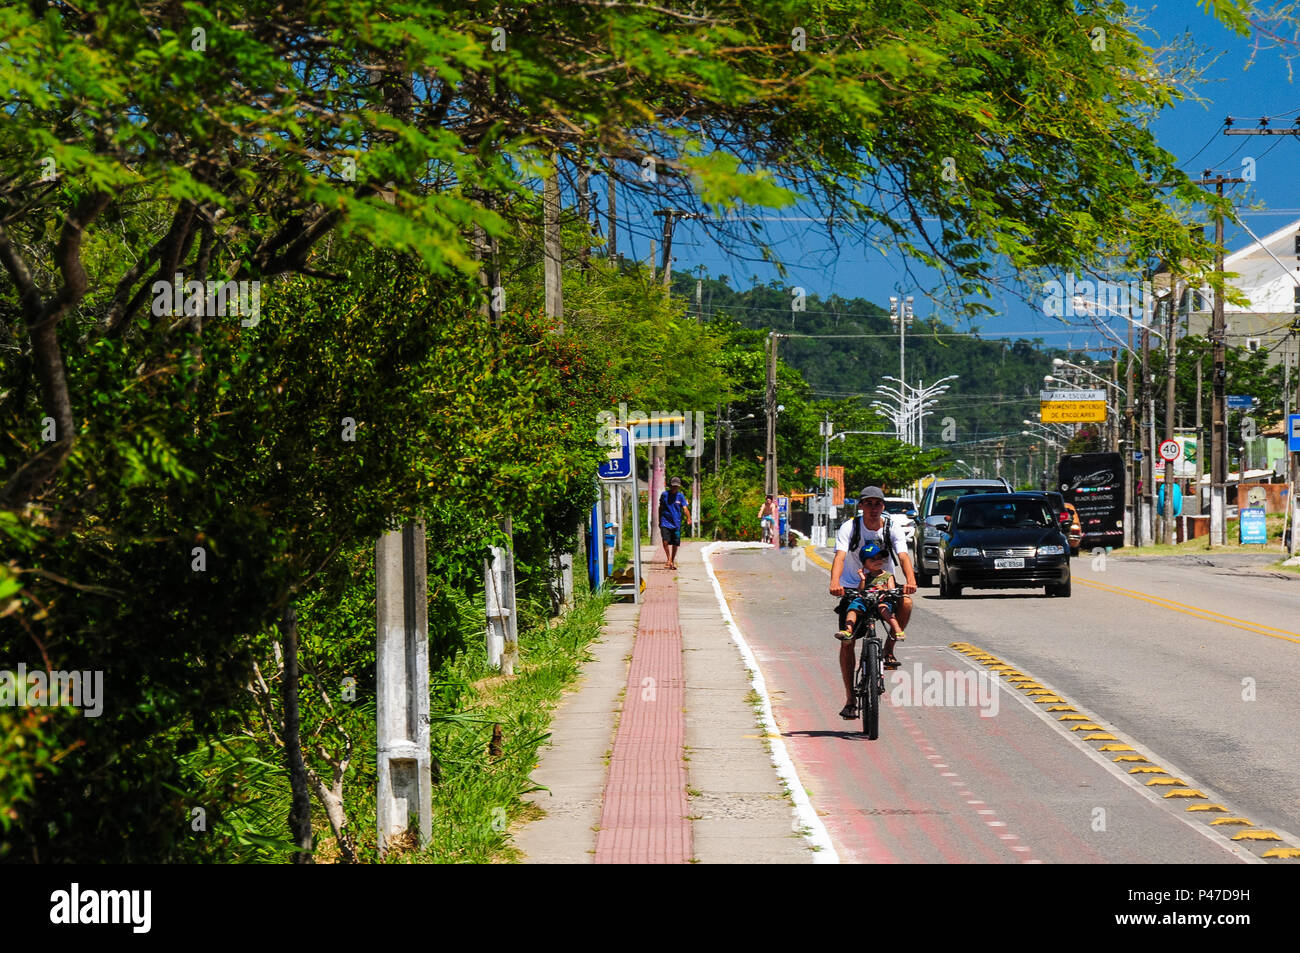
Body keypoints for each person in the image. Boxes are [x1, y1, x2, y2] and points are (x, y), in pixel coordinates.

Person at [829, 486, 917, 720]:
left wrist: (910, 580)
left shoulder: (891, 527)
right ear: (861, 506)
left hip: (882, 586)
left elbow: (903, 555)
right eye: (868, 503)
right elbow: (839, 555)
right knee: (847, 643)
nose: (873, 508)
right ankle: (850, 700)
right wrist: (835, 583)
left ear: (883, 507)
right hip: (853, 586)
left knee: (906, 602)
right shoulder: (851, 527)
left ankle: (888, 649)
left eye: (877, 503)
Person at [836, 539, 906, 643]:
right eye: (872, 559)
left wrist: (884, 590)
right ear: (865, 564)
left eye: (879, 558)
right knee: (853, 608)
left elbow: (891, 589)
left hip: (881, 600)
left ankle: (898, 630)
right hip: (866, 601)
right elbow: (861, 590)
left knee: (884, 609)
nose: (877, 561)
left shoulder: (887, 575)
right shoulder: (866, 576)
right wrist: (863, 579)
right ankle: (848, 630)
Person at [659, 476, 690, 570]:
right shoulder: (664, 495)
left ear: (679, 487)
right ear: (670, 486)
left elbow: (685, 508)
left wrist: (689, 518)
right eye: (673, 486)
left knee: (675, 544)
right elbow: (660, 507)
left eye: (676, 486)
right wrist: (659, 520)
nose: (674, 488)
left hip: (676, 523)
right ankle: (668, 559)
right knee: (665, 541)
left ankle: (672, 560)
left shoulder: (680, 496)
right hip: (665, 521)